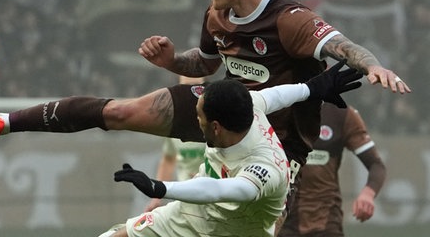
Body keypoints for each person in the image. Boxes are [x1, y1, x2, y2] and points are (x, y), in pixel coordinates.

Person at [0, 0, 408, 206]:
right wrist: (171, 61)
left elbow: (344, 47)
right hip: (224, 109)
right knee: (118, 112)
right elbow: (205, 64)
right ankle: (1, 122)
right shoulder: (216, 16)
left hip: (274, 148)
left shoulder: (290, 21)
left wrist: (374, 66)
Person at [98, 63, 361, 237]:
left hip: (234, 231)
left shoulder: (266, 167)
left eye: (198, 116)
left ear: (216, 126)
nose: (194, 120)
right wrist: (313, 88)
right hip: (192, 215)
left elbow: (220, 190)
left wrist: (161, 188)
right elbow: (279, 95)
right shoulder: (251, 105)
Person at [278, 102, 387, 237]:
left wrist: (367, 195)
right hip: (283, 221)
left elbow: (376, 165)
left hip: (327, 222)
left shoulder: (341, 114)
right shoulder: (278, 110)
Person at [144, 76, 206, 212]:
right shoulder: (175, 126)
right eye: (187, 88)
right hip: (186, 200)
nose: (192, 94)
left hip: (214, 197)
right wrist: (156, 198)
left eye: (196, 88)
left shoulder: (216, 124)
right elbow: (168, 159)